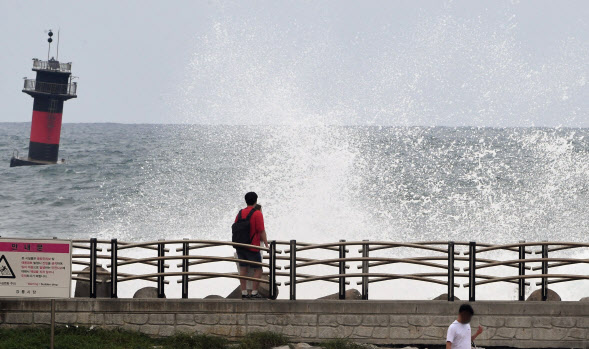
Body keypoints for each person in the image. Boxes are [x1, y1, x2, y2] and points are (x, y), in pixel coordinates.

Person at [234, 192, 268, 299]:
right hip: (253, 247)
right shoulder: (257, 213)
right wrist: (266, 245)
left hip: (240, 246)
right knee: (258, 270)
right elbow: (261, 231)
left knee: (243, 269)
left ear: (246, 200)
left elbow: (235, 228)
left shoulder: (240, 213)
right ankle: (254, 293)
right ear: (256, 200)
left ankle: (244, 293)